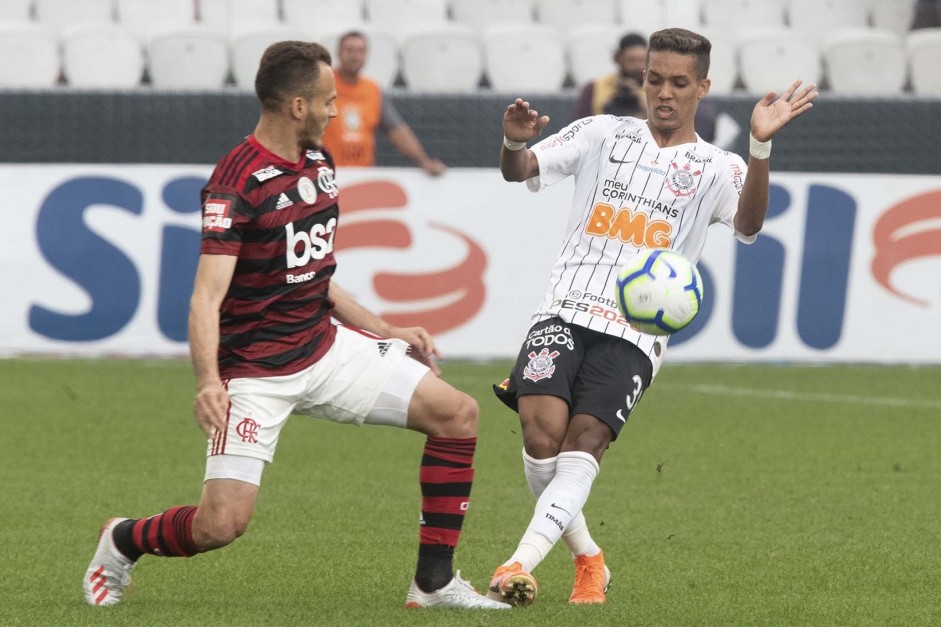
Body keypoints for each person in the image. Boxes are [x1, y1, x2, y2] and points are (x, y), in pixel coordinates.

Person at [82, 40, 507, 611]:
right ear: (298, 107)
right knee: (221, 525)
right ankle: (122, 538)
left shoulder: (320, 164)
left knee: (457, 414)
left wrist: (385, 329)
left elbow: (313, 274)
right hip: (255, 372)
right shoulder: (237, 183)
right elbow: (206, 298)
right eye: (329, 101)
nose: (338, 111)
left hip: (324, 348)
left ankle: (433, 584)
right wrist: (209, 381)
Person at [487, 28, 817, 606]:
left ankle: (519, 563)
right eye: (655, 80)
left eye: (679, 83)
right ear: (643, 81)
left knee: (583, 442)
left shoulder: (717, 165)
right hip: (564, 307)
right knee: (541, 438)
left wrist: (761, 148)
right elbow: (521, 170)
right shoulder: (601, 133)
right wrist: (513, 145)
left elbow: (748, 225)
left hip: (636, 332)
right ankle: (589, 556)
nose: (664, 93)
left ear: (703, 88)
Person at [323, 30, 446, 176]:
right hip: (326, 174)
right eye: (349, 50)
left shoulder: (373, 90)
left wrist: (424, 162)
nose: (355, 56)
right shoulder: (322, 85)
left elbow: (398, 131)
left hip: (362, 176)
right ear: (338, 52)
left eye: (360, 51)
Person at [572, 32, 719, 143]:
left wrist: (645, 104)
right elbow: (580, 130)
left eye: (641, 60)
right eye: (631, 60)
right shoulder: (595, 88)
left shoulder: (657, 94)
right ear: (618, 58)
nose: (664, 94)